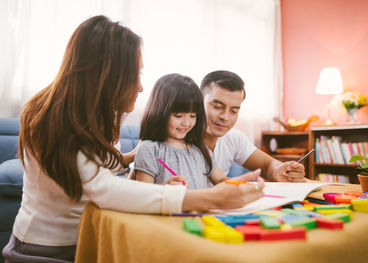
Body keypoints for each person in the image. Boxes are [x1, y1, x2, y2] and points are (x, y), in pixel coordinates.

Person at [2, 16, 264, 263]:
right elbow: (102, 187)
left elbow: (91, 166)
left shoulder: (101, 117)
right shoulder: (51, 118)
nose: (140, 87)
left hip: (92, 237)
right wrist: (210, 198)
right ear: (106, 75)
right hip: (47, 251)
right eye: (136, 74)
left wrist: (128, 158)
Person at [200, 70, 306, 182]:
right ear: (199, 102)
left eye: (234, 111)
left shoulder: (233, 138)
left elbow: (268, 164)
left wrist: (279, 171)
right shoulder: (182, 140)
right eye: (217, 107)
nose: (225, 117)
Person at [134, 73, 229, 189]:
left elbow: (221, 180)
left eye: (193, 116)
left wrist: (239, 184)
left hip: (201, 207)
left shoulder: (200, 149)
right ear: (159, 112)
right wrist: (164, 189)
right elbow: (144, 196)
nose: (187, 123)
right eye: (178, 116)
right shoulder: (150, 150)